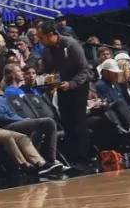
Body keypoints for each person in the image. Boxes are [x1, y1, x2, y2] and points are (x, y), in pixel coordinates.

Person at [38, 22, 92, 170]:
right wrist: (46, 81)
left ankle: (83, 158)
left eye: (41, 37)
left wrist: (72, 83)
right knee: (67, 122)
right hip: (61, 87)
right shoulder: (46, 51)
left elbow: (85, 70)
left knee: (79, 121)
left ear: (51, 34)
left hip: (78, 86)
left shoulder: (71, 44)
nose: (40, 41)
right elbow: (46, 71)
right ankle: (73, 158)